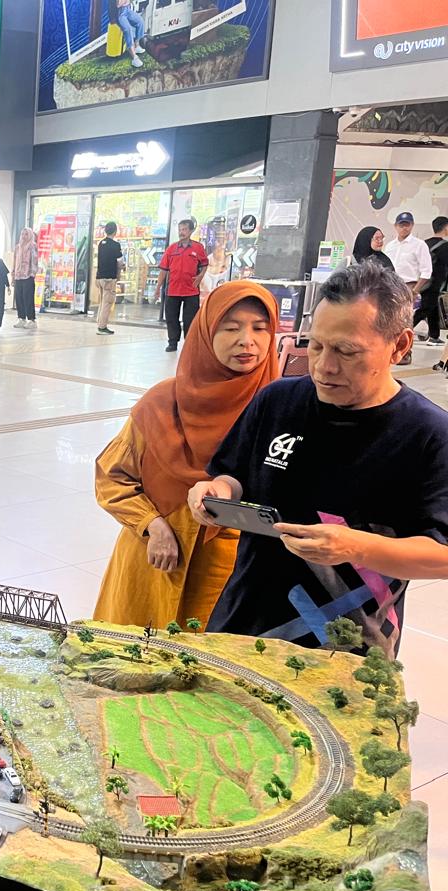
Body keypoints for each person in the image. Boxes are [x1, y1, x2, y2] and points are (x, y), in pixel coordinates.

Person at [187, 261, 448, 656]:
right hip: (242, 625)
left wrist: (355, 547)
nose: (324, 367)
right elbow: (234, 472)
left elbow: (442, 556)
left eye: (346, 351)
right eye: (316, 345)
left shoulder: (429, 434)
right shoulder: (277, 400)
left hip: (348, 647)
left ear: (400, 346)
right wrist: (216, 489)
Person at [94, 281, 279, 629]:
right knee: (134, 659)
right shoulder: (163, 402)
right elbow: (112, 476)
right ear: (206, 333)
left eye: (260, 328)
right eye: (231, 328)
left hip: (233, 568)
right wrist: (152, 525)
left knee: (210, 665)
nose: (247, 341)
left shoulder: (282, 408)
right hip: (153, 560)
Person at [159, 218, 209, 352]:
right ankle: (172, 342)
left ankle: (190, 344)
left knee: (190, 320)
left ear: (191, 231)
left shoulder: (198, 248)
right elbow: (164, 269)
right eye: (180, 230)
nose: (182, 232)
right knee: (171, 318)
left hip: (191, 290)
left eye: (185, 229)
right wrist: (158, 287)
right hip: (173, 290)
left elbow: (204, 264)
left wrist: (200, 276)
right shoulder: (171, 249)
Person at [417, 215, 448, 348]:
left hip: (422, 281)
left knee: (432, 307)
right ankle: (401, 331)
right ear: (446, 228)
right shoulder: (445, 246)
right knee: (424, 309)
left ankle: (434, 336)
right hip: (435, 282)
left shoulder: (424, 243)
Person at [384, 211, 432, 296]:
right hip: (390, 288)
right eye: (401, 225)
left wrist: (415, 290)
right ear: (395, 226)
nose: (404, 228)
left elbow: (426, 271)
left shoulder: (419, 245)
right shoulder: (389, 246)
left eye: (407, 225)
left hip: (409, 287)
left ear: (412, 225)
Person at [94, 221, 122, 336]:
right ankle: (102, 327)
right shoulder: (116, 245)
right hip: (109, 278)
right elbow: (120, 262)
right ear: (115, 231)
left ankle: (99, 322)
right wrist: (119, 272)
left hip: (100, 277)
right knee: (107, 303)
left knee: (102, 302)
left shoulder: (101, 243)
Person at [12, 227, 38, 329]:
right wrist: (13, 275)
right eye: (22, 234)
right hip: (18, 276)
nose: (24, 236)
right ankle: (21, 318)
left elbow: (34, 261)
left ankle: (31, 320)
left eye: (26, 234)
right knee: (19, 298)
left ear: (30, 235)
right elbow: (15, 261)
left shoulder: (32, 246)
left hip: (28, 276)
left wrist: (32, 273)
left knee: (28, 298)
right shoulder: (17, 247)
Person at [117, 0, 147, 68]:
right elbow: (118, 4)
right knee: (128, 30)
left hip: (127, 9)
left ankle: (137, 45)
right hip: (120, 13)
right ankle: (134, 58)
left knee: (140, 21)